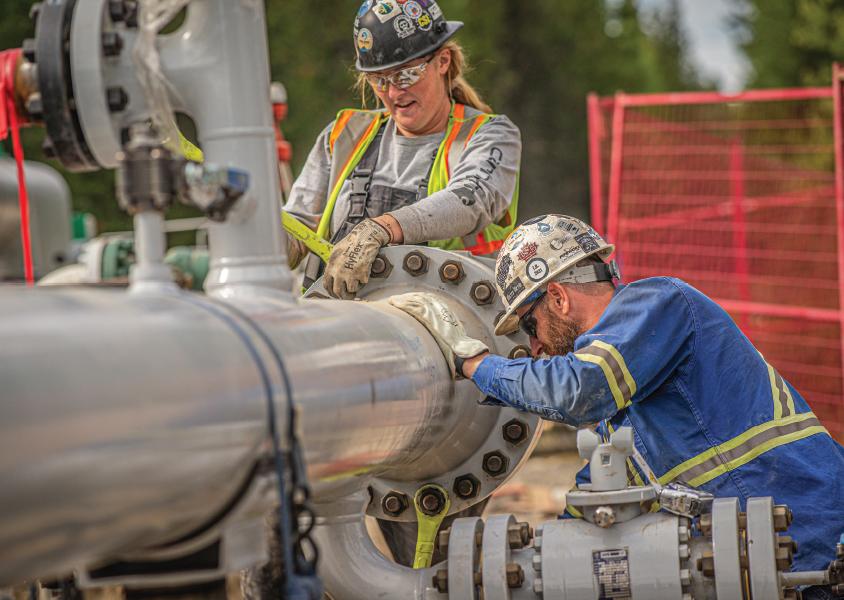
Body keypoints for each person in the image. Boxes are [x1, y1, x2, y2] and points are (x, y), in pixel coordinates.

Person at [389, 215, 844, 599]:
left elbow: (578, 389)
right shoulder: (621, 401)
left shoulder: (660, 304)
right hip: (762, 563)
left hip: (813, 551)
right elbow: (599, 506)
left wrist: (473, 363)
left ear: (559, 298)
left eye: (531, 325)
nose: (535, 346)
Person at [282, 0, 521, 298]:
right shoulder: (343, 135)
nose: (394, 93)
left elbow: (470, 200)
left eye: (406, 75)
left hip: (449, 329)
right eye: (379, 80)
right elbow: (296, 230)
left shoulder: (491, 135)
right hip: (336, 321)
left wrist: (383, 227)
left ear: (443, 61)